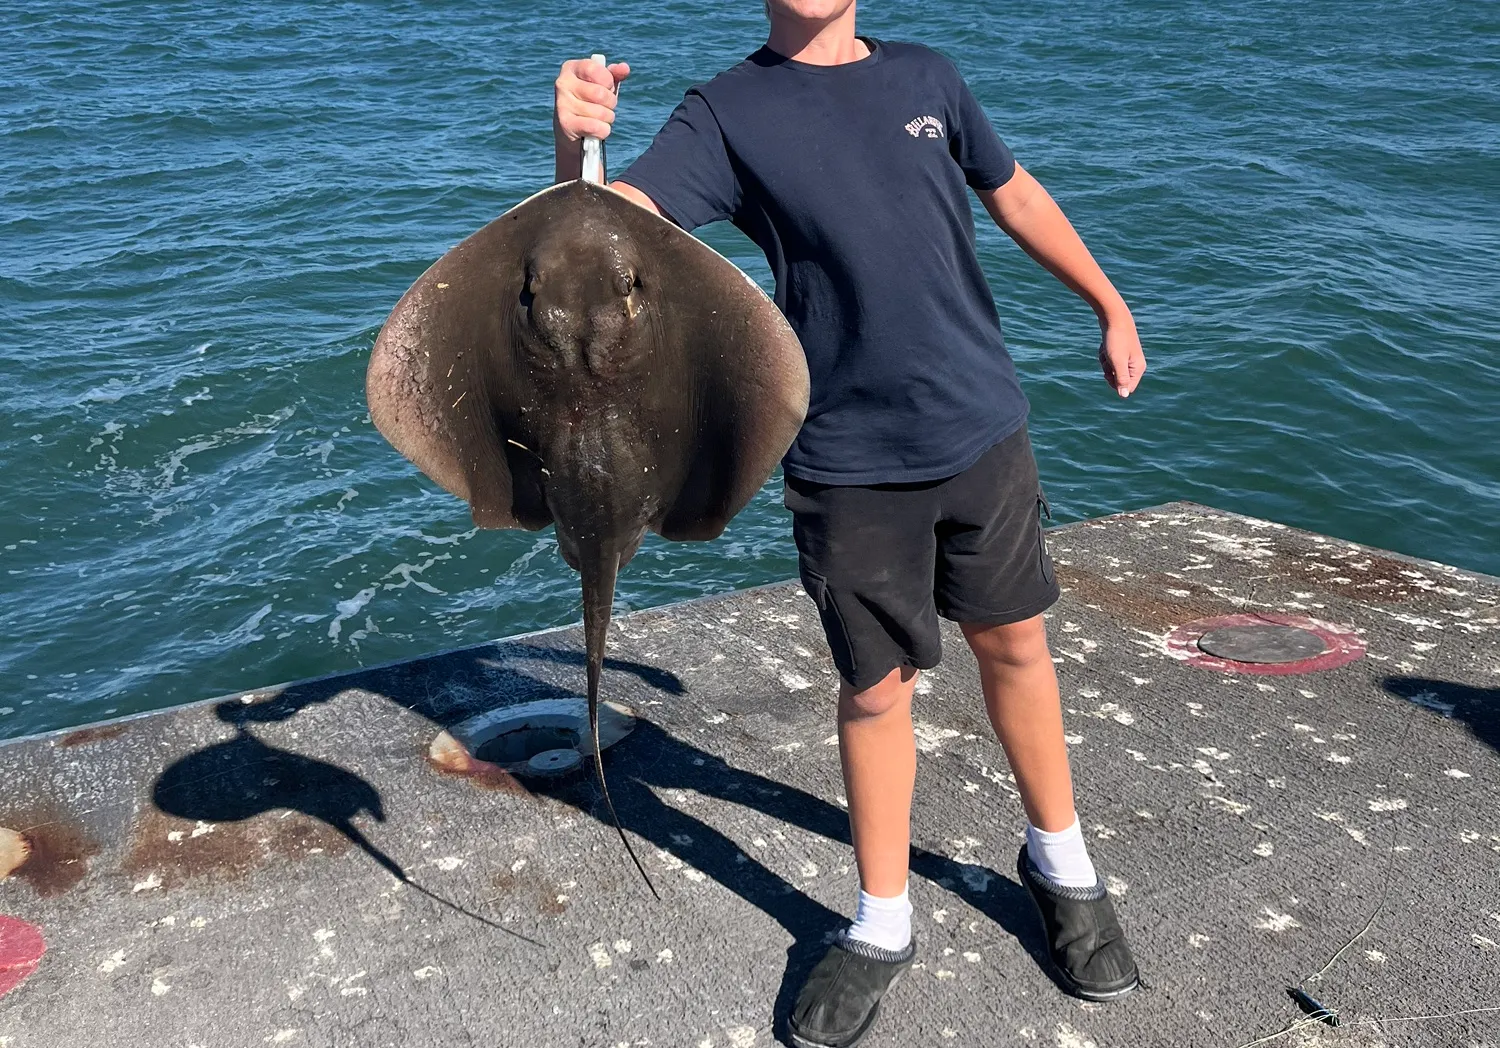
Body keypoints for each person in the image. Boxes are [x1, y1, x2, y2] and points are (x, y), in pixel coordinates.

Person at [553, 2, 1145, 1045]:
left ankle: (1063, 863)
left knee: (1017, 643)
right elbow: (601, 245)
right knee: (877, 691)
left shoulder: (928, 77)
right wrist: (573, 143)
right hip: (848, 459)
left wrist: (1108, 300)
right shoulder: (725, 113)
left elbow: (1014, 193)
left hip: (982, 426)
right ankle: (880, 924)